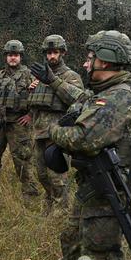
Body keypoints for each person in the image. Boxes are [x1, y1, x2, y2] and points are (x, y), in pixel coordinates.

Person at [33, 30, 131, 260]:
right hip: (92, 185)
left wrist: (53, 130)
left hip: (106, 190)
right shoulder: (108, 91)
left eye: (91, 58)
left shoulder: (119, 98)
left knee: (103, 258)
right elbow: (80, 97)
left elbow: (81, 139)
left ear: (106, 61)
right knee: (72, 236)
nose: (86, 63)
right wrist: (53, 81)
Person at [27, 35, 84, 214]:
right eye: (49, 53)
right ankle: (50, 204)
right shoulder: (38, 76)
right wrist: (31, 90)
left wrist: (52, 81)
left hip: (58, 133)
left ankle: (61, 211)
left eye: (55, 52)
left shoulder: (71, 76)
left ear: (63, 53)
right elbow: (34, 104)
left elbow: (78, 99)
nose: (52, 56)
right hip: (39, 132)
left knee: (57, 176)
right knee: (42, 174)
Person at [0, 40, 39, 200]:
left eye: (16, 55)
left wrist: (30, 115)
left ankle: (29, 189)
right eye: (10, 55)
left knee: (22, 157)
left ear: (20, 57)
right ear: (6, 57)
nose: (13, 58)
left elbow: (39, 97)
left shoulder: (29, 76)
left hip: (18, 123)